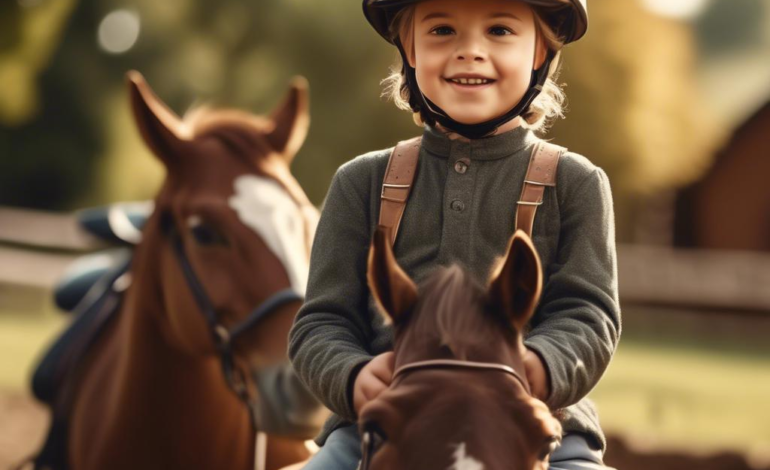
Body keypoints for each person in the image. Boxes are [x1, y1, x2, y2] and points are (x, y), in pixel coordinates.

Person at [288, 0, 620, 468]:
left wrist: (539, 367)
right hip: (386, 423)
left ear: (540, 51)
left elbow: (589, 315)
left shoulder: (576, 183)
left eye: (500, 30)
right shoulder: (360, 182)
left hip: (538, 422)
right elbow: (320, 322)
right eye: (442, 30)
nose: (470, 51)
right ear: (410, 49)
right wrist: (355, 376)